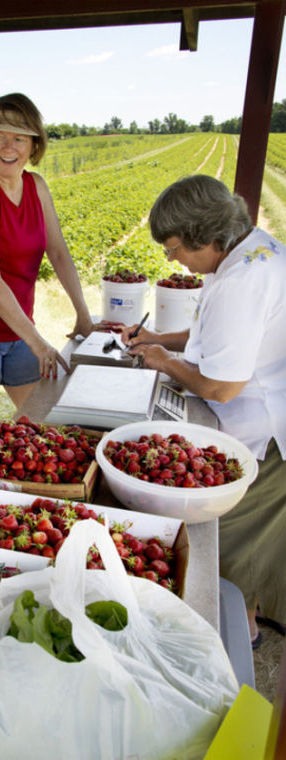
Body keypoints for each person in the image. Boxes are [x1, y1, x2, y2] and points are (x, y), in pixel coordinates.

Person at [120, 174, 286, 648]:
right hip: (261, 414)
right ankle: (250, 613)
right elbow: (218, 337)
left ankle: (242, 628)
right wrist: (158, 340)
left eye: (174, 250)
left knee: (236, 537)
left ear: (205, 237)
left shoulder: (243, 280)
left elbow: (222, 384)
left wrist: (167, 363)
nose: (174, 261)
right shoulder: (250, 250)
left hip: (264, 427)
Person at [0, 93, 93, 417]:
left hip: (20, 328)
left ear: (33, 145)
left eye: (18, 138)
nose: (7, 147)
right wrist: (38, 343)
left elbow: (59, 252)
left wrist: (82, 313)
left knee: (40, 421)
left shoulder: (36, 186)